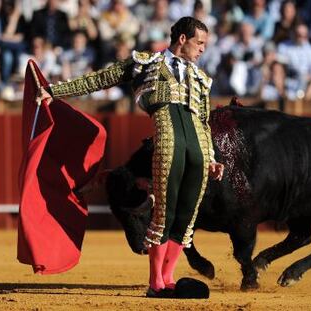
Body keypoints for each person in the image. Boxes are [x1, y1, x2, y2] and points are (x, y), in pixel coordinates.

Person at [37, 16, 224, 298]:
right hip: (169, 142)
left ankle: (169, 278)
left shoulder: (201, 78)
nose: (202, 50)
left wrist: (210, 157)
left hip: (197, 148)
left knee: (186, 217)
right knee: (165, 212)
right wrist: (55, 91)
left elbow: (204, 122)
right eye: (199, 43)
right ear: (182, 39)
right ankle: (156, 283)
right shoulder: (145, 63)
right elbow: (99, 79)